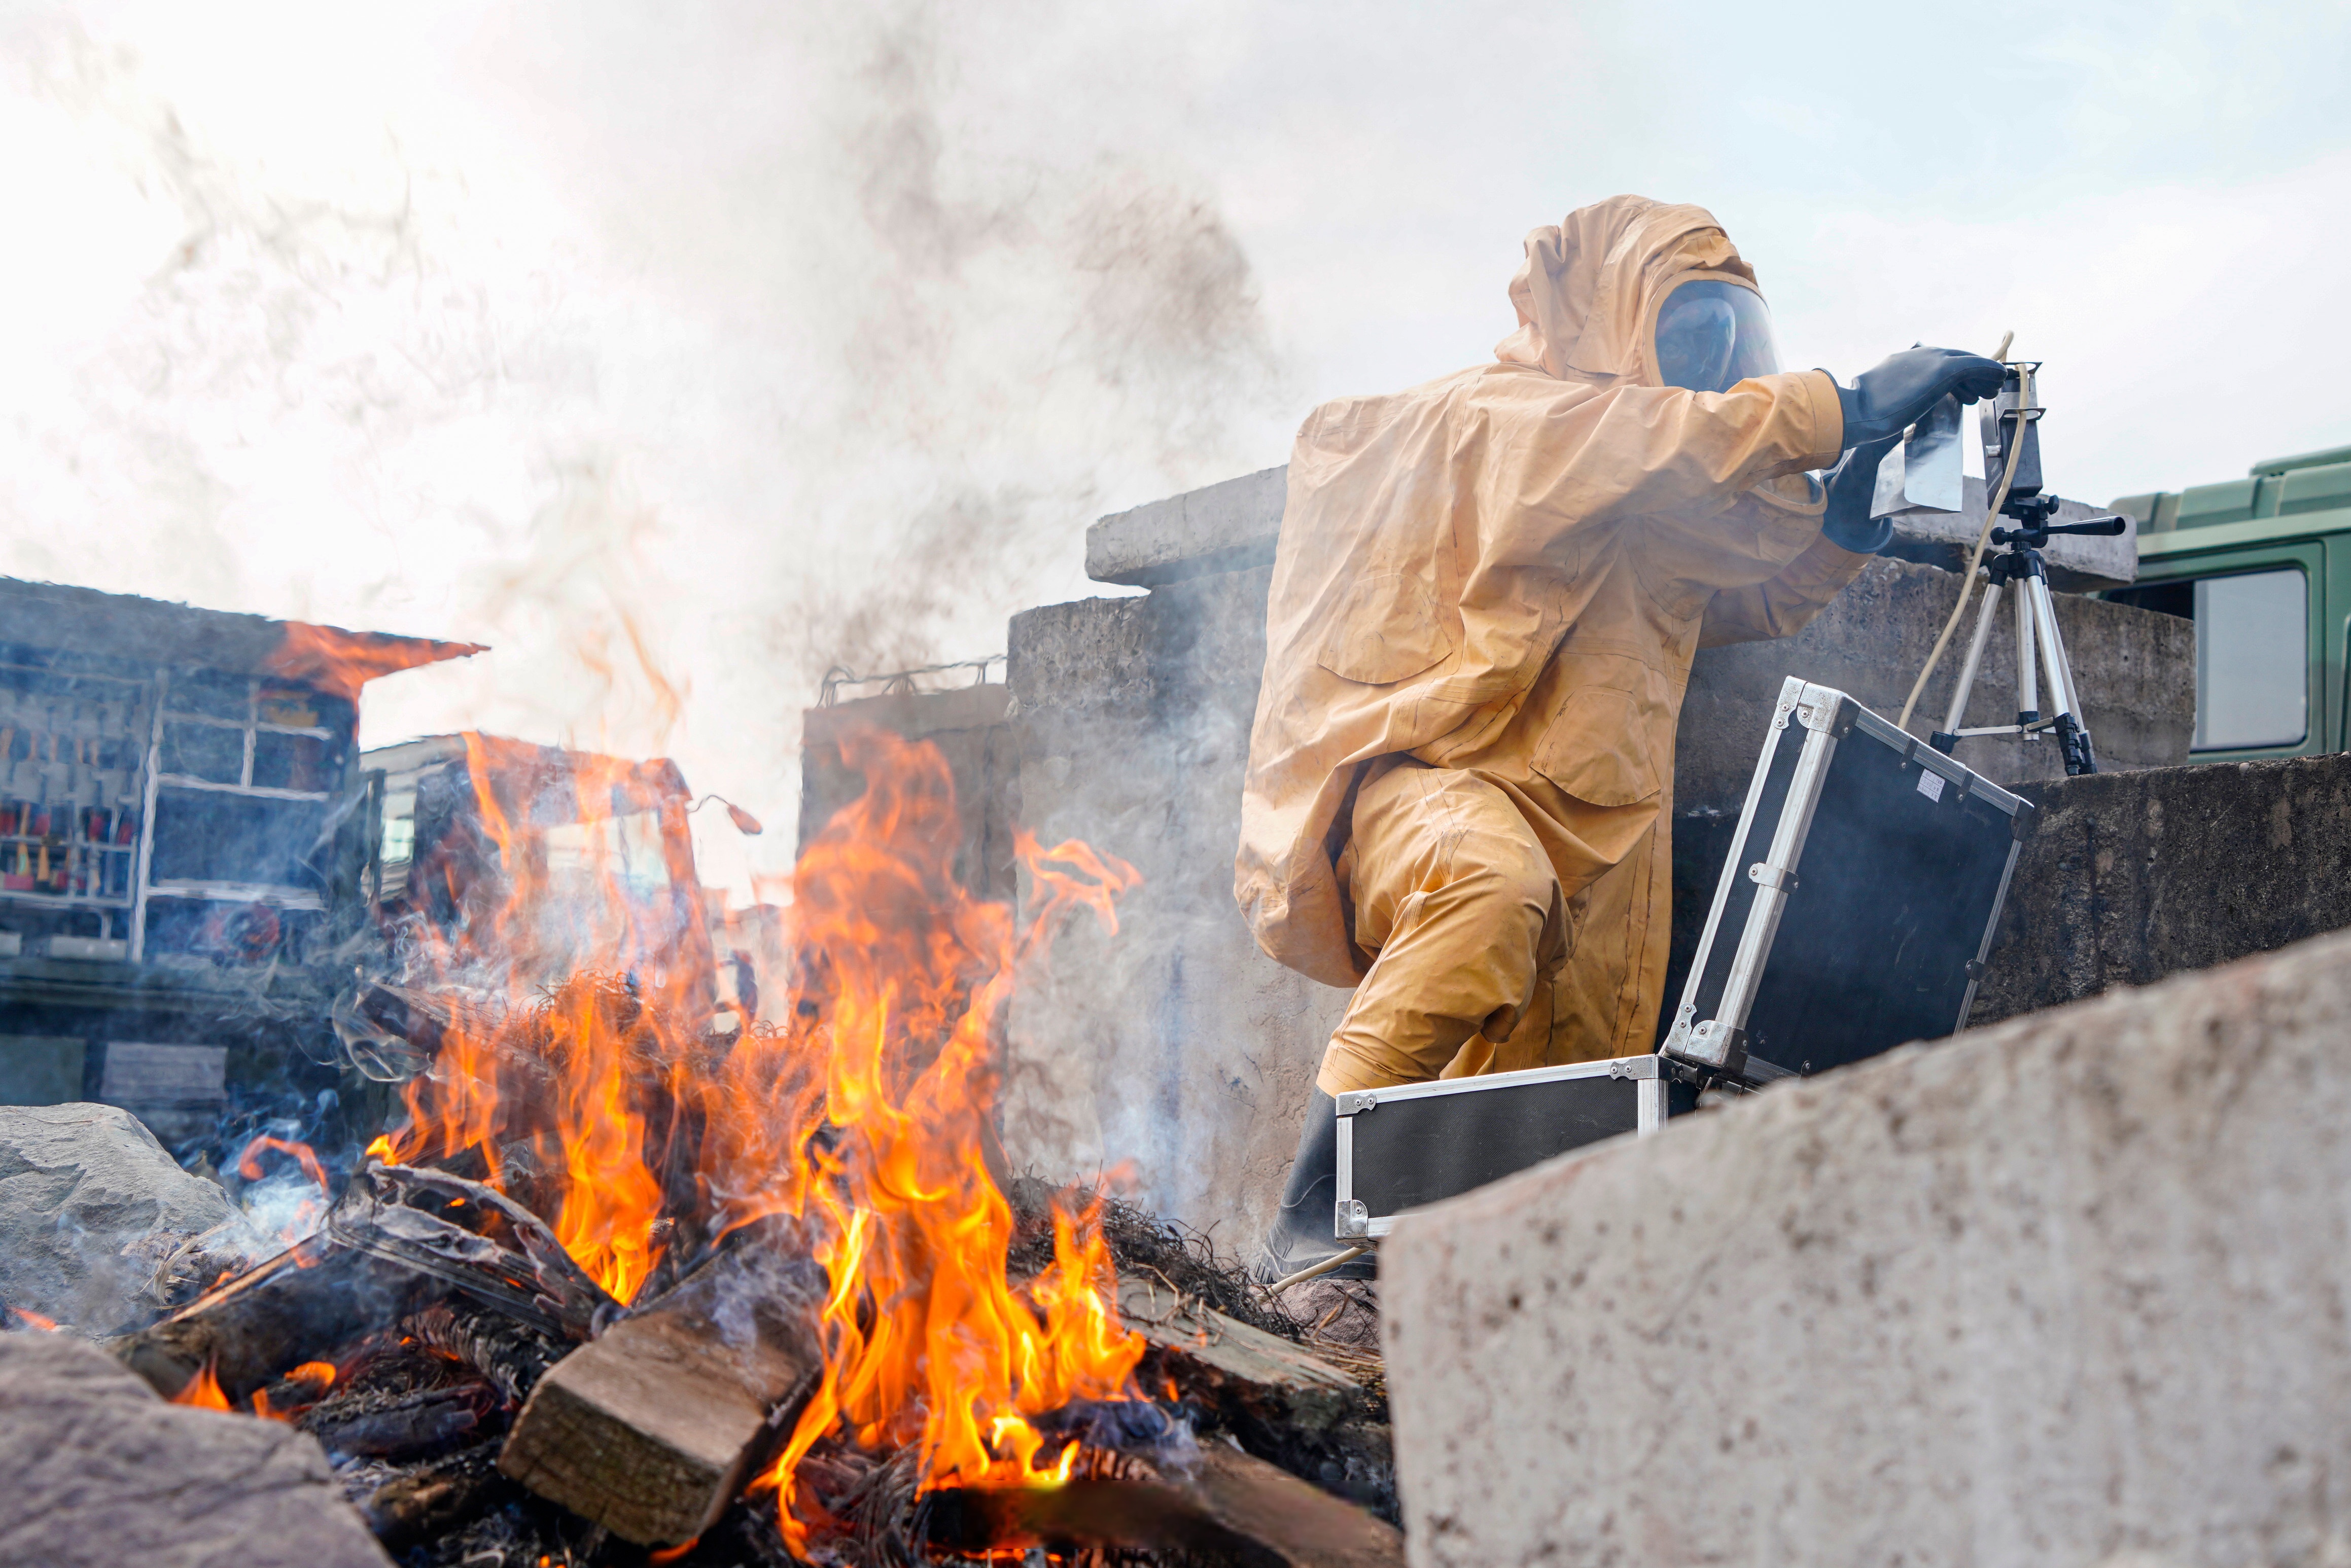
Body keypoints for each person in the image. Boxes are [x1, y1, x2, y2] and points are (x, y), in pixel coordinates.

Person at [1238, 196, 2004, 1280]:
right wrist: (1847, 402)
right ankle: (1304, 1231)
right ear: (1606, 314)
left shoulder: (1641, 494)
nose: (1715, 359)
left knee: (1558, 1099)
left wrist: (1842, 530)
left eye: (1729, 335)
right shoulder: (1505, 419)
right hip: (1441, 785)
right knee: (1482, 893)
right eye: (1691, 329)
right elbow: (1643, 440)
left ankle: (1444, 1306)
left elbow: (1737, 602)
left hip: (1596, 842)